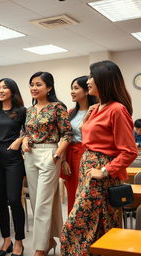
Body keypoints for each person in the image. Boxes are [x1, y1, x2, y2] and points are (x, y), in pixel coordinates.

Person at [61, 60, 138, 255]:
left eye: (92, 76)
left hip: (101, 173)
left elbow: (129, 151)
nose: (88, 80)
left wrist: (104, 171)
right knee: (93, 224)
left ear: (104, 79)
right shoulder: (96, 108)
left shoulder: (117, 109)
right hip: (88, 170)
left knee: (76, 226)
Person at [22, 71, 72, 256]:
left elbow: (67, 134)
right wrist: (25, 141)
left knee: (43, 201)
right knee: (36, 202)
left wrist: (58, 155)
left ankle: (40, 249)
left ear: (49, 87)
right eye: (32, 84)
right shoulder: (29, 110)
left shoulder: (58, 107)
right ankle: (49, 240)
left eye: (38, 84)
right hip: (30, 156)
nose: (34, 88)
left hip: (50, 153)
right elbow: (26, 133)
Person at [0, 78, 26, 256]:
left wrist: (19, 140)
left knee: (15, 201)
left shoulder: (21, 111)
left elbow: (29, 132)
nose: (1, 90)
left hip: (13, 160)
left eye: (4, 87)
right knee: (0, 202)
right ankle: (6, 241)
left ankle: (19, 242)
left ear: (12, 91)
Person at [60, 76, 97, 214]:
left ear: (87, 91)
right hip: (70, 154)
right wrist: (63, 160)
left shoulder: (95, 111)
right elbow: (66, 137)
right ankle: (73, 231)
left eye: (76, 88)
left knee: (84, 195)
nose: (72, 91)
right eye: (71, 88)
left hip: (87, 153)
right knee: (72, 193)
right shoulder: (70, 113)